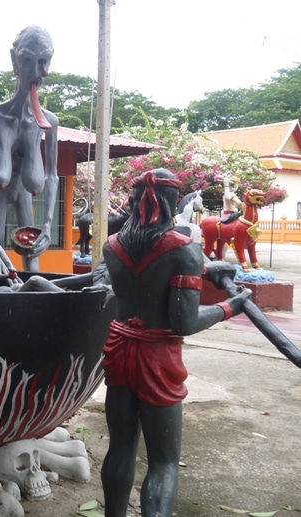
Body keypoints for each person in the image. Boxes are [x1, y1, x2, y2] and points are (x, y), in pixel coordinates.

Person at [100, 169, 251, 517]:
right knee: (164, 462)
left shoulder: (113, 246)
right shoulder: (185, 250)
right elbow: (183, 322)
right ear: (172, 202)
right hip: (157, 358)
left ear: (134, 201)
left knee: (120, 448)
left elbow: (145, 275)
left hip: (119, 349)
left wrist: (204, 267)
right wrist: (230, 307)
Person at [0, 25, 59, 275]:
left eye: (43, 62)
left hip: (25, 192)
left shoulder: (49, 122)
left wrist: (47, 226)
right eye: (28, 61)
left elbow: (52, 175)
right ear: (15, 59)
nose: (36, 73)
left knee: (31, 256)